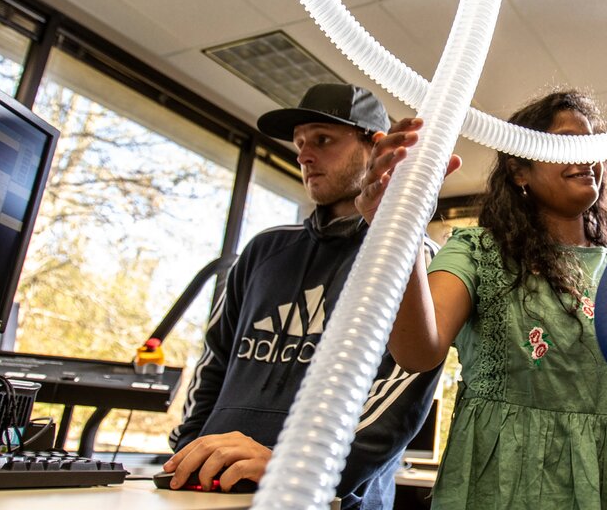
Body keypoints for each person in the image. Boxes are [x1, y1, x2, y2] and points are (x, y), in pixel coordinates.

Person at [359, 90, 607, 510]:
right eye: (567, 143)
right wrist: (400, 227)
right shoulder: (477, 253)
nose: (587, 157)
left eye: (592, 144)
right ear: (519, 170)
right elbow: (417, 350)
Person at [166, 83, 456, 509]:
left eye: (322, 140)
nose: (304, 154)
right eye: (300, 143)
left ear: (375, 147)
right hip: (215, 486)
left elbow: (405, 390)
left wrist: (293, 465)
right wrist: (188, 449)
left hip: (331, 496)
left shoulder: (412, 256)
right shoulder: (264, 250)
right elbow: (215, 360)